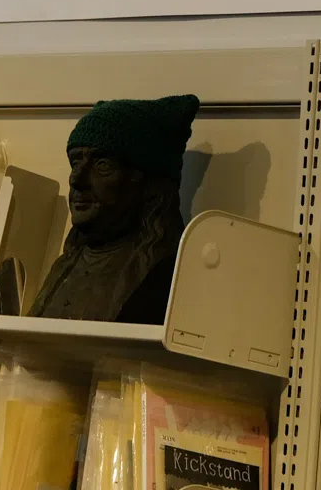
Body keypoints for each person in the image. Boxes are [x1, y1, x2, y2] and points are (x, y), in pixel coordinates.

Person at [28, 94, 199, 323]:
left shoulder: (161, 274)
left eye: (102, 165)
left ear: (148, 184)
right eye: (75, 163)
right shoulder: (66, 265)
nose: (76, 179)